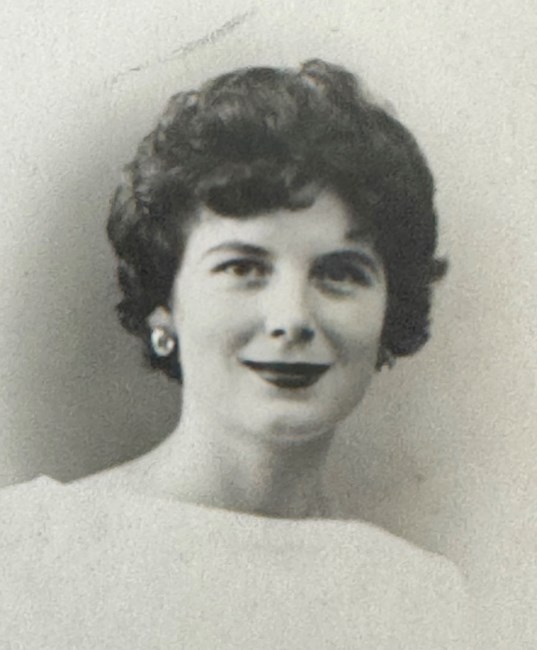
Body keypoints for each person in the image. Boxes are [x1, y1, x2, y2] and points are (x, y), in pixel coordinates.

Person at [0, 59, 474, 648]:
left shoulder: (423, 597)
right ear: (164, 305)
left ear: (388, 311)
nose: (292, 319)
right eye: (243, 268)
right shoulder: (31, 548)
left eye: (340, 273)